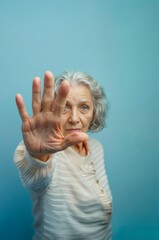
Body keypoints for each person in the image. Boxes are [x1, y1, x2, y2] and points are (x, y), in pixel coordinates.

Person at [14, 70, 112, 240]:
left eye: (84, 107)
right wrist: (38, 156)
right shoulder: (48, 153)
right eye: (65, 107)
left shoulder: (97, 148)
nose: (74, 118)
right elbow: (36, 178)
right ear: (53, 111)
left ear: (94, 112)